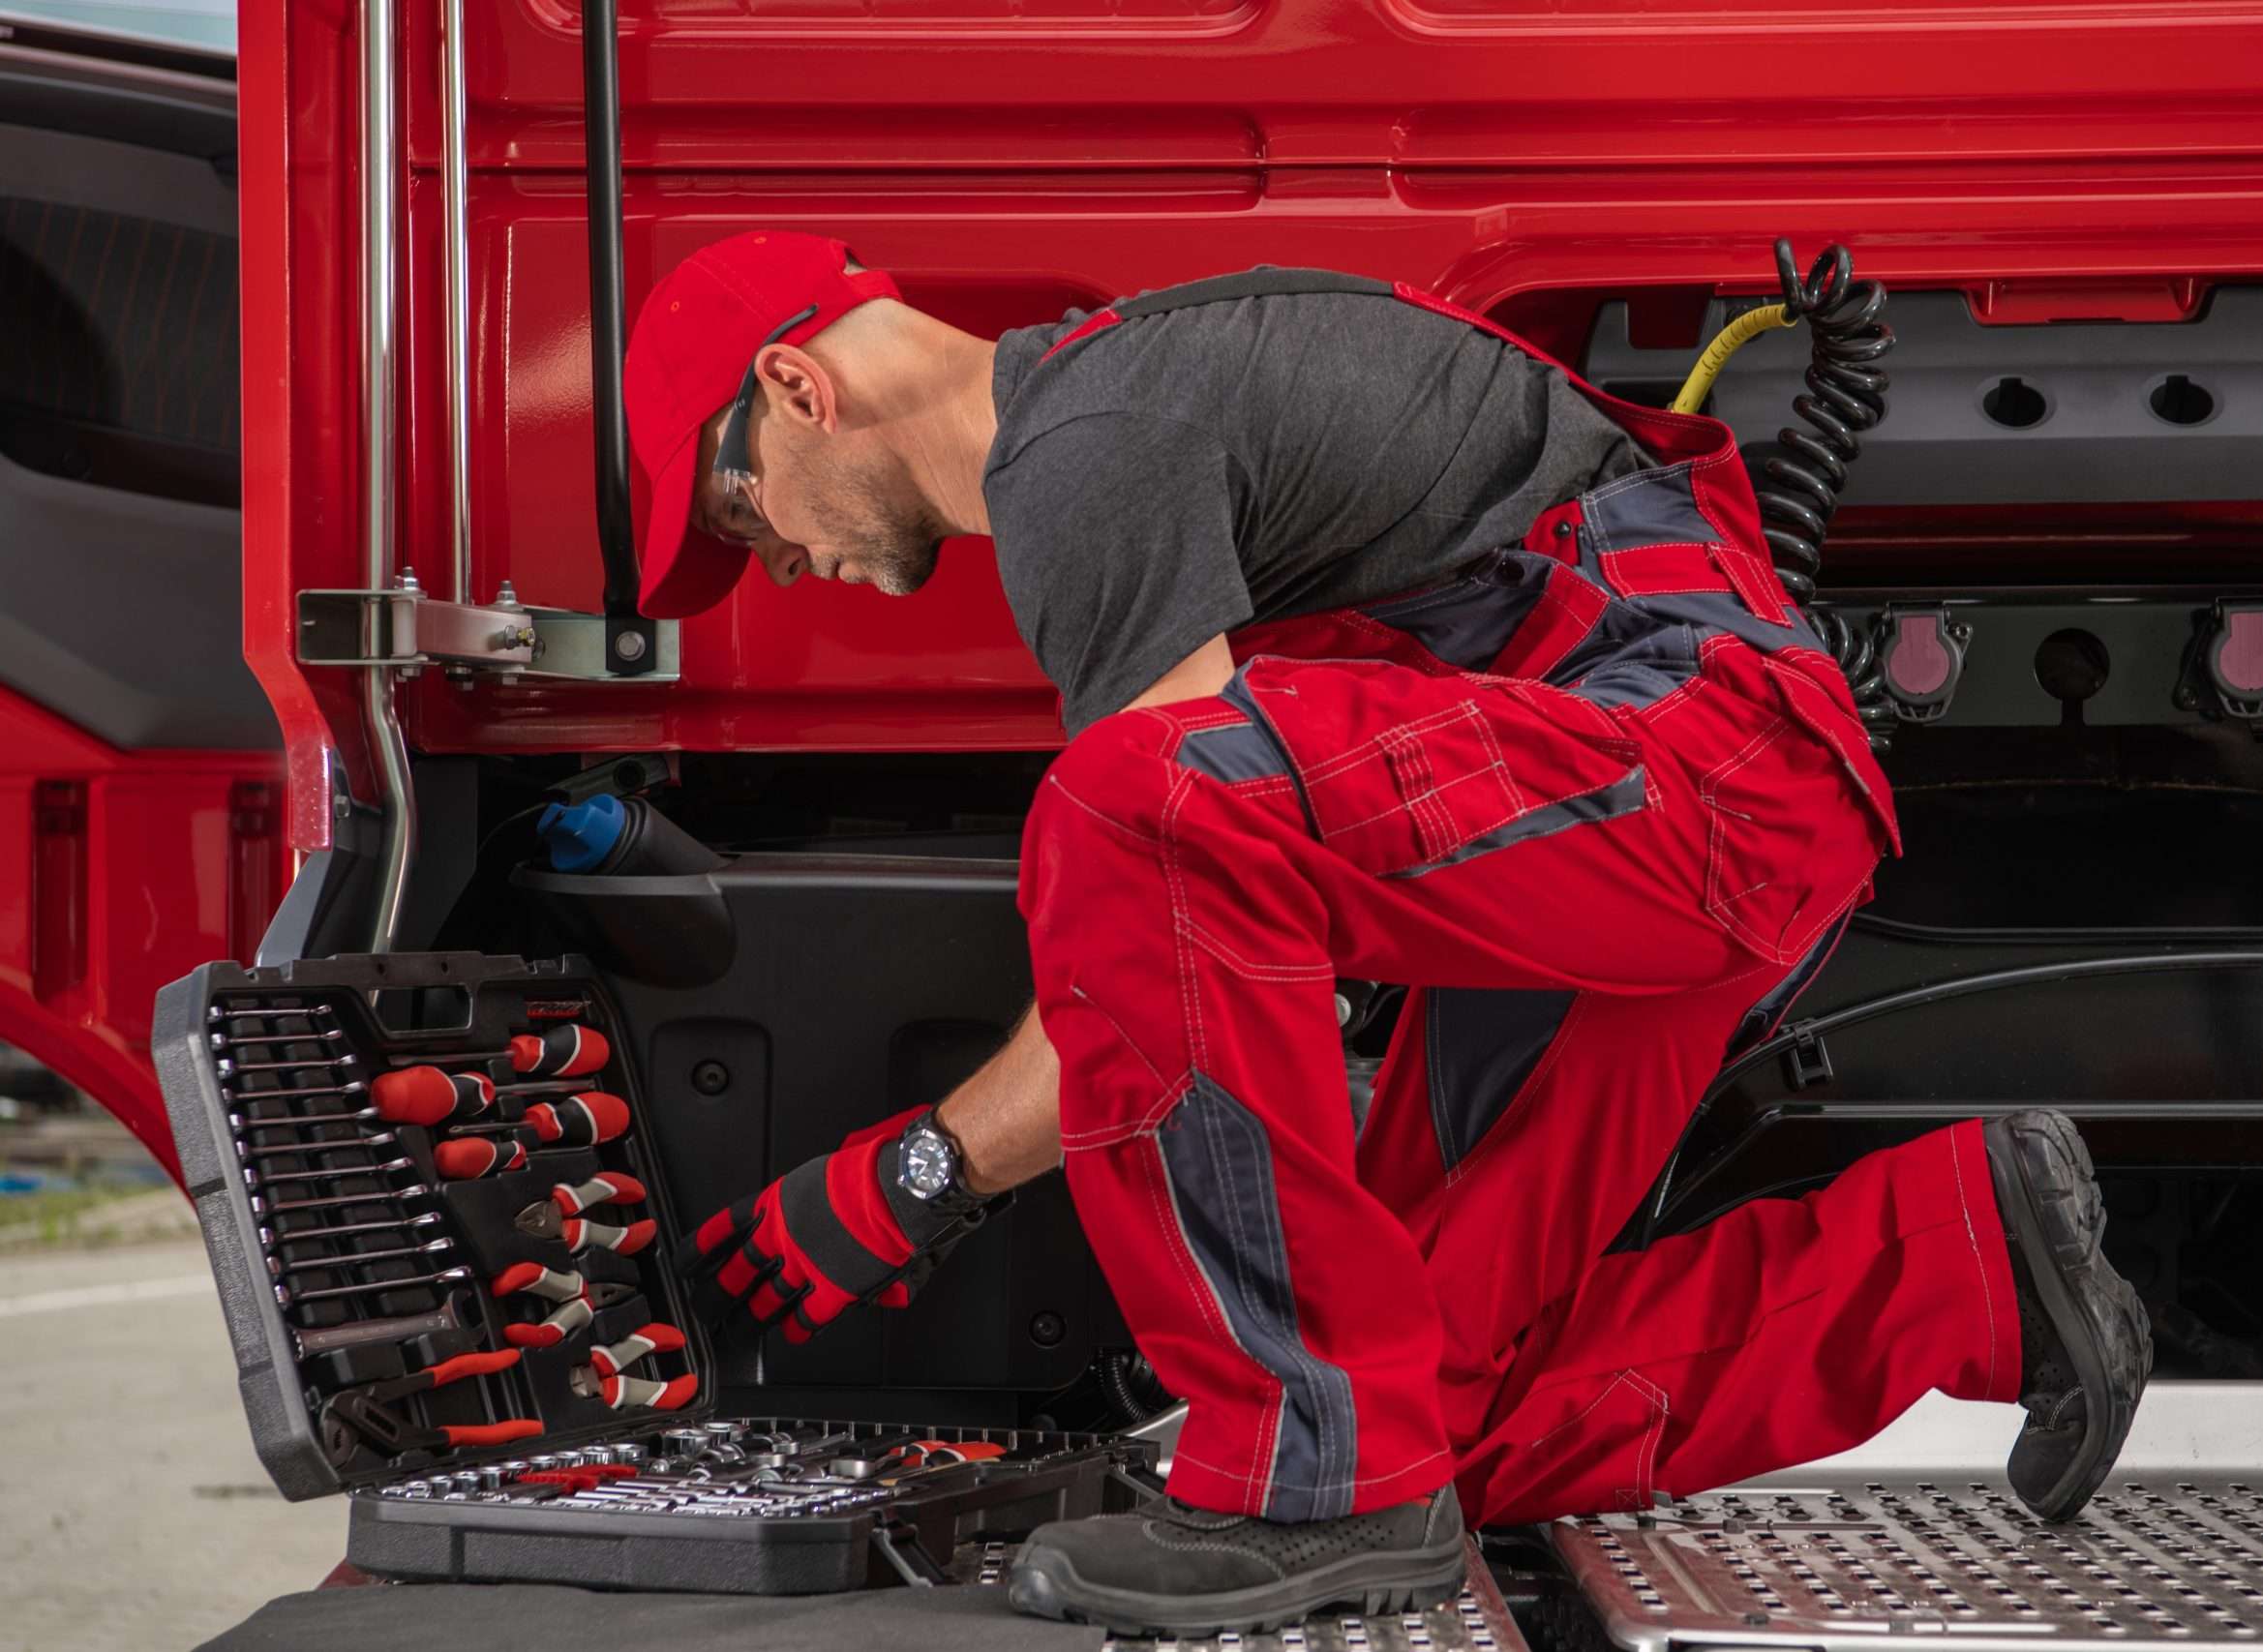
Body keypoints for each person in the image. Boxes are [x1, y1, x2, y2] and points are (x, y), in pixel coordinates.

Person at [623, 231, 2153, 1638]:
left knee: (1128, 808)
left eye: (734, 507)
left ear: (796, 386)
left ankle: (1301, 1487)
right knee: (1422, 1414)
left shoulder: (1087, 443)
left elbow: (1157, 873)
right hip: (1637, 821)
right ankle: (1957, 1263)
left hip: (1692, 776)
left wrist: (905, 1183)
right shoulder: (1120, 410)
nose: (767, 556)